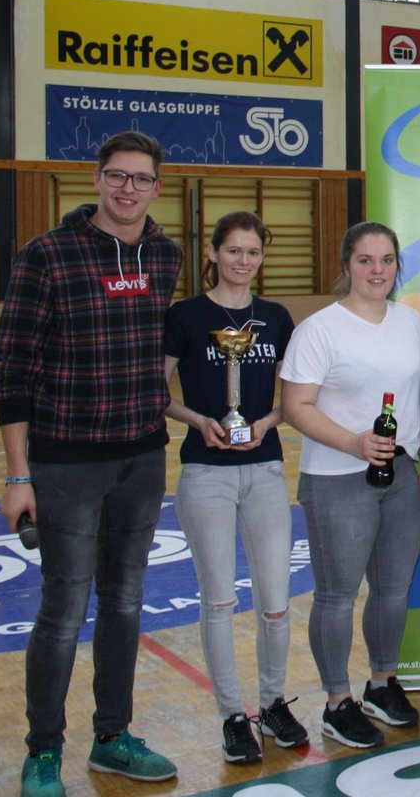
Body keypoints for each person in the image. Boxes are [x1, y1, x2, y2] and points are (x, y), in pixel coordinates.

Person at [0, 131, 183, 797]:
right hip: (66, 465)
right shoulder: (47, 255)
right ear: (97, 180)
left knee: (125, 603)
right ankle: (43, 751)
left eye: (141, 178)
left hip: (142, 458)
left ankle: (112, 738)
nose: (129, 189)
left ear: (157, 188)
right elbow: (11, 368)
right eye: (117, 176)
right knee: (64, 611)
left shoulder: (165, 256)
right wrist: (19, 475)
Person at [280, 221, 420, 749]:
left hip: (400, 477)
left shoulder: (411, 323)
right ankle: (336, 703)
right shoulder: (319, 330)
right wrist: (353, 442)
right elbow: (294, 406)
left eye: (387, 260)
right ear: (346, 265)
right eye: (366, 260)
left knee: (393, 590)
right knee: (337, 595)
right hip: (336, 480)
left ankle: (381, 684)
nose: (377, 270)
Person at [162, 211, 305, 763]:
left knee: (275, 602)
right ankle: (232, 715)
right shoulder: (185, 316)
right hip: (205, 473)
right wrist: (198, 420)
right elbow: (156, 389)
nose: (243, 261)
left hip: (265, 470)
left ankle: (272, 702)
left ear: (262, 257)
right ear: (214, 253)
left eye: (253, 252)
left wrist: (267, 422)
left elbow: (296, 395)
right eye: (234, 250)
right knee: (219, 600)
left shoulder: (276, 318)